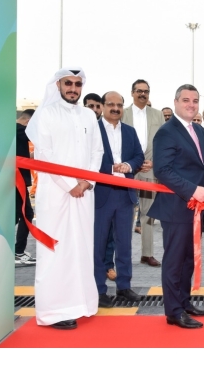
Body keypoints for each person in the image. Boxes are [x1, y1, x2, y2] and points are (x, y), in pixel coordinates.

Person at [148, 84, 204, 329]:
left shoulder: (197, 130)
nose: (191, 104)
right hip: (177, 206)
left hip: (194, 209)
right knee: (174, 261)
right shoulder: (167, 132)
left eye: (195, 101)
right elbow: (162, 170)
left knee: (189, 259)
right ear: (176, 102)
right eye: (186, 100)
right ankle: (173, 311)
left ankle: (184, 302)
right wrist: (191, 189)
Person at [26, 67, 103, 330]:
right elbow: (44, 156)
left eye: (77, 84)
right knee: (55, 249)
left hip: (84, 194)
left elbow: (97, 151)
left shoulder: (88, 116)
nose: (73, 88)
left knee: (81, 248)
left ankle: (81, 304)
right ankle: (53, 311)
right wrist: (70, 185)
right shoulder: (45, 114)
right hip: (55, 195)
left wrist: (87, 182)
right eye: (68, 83)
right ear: (58, 85)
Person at [94, 91, 145, 308]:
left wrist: (129, 166)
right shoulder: (92, 130)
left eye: (119, 105)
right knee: (98, 243)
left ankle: (124, 286)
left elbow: (139, 156)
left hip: (125, 195)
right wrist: (110, 169)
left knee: (124, 244)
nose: (115, 108)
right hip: (101, 194)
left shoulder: (130, 131)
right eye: (111, 104)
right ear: (103, 106)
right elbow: (87, 158)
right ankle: (98, 290)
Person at [122, 79, 164, 267]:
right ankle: (122, 255)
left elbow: (163, 143)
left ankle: (147, 254)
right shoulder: (122, 114)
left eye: (146, 91)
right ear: (132, 93)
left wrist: (154, 163)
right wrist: (129, 164)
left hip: (148, 171)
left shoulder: (157, 115)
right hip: (127, 173)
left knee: (148, 214)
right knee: (124, 213)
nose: (142, 94)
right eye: (139, 91)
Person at [84, 92, 116, 281]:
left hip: (105, 189)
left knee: (108, 233)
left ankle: (107, 266)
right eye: (90, 106)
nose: (94, 110)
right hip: (83, 188)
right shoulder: (81, 129)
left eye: (97, 106)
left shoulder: (108, 129)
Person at [15, 109, 37, 265]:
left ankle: (15, 250)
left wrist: (36, 156)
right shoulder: (20, 130)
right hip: (16, 180)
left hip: (16, 180)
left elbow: (22, 156)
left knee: (21, 214)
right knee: (24, 213)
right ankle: (17, 251)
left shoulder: (13, 131)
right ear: (29, 122)